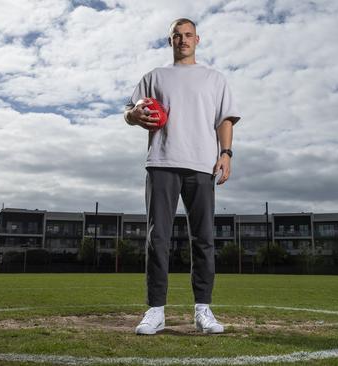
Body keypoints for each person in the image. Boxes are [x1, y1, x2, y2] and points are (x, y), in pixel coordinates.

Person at [124, 18, 240, 335]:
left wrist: (226, 154)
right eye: (177, 35)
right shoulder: (154, 77)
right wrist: (133, 115)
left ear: (197, 40)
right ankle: (155, 311)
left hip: (203, 164)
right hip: (161, 161)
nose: (183, 39)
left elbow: (225, 119)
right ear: (170, 41)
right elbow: (129, 111)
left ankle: (203, 310)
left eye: (188, 35)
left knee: (203, 239)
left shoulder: (214, 79)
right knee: (157, 237)